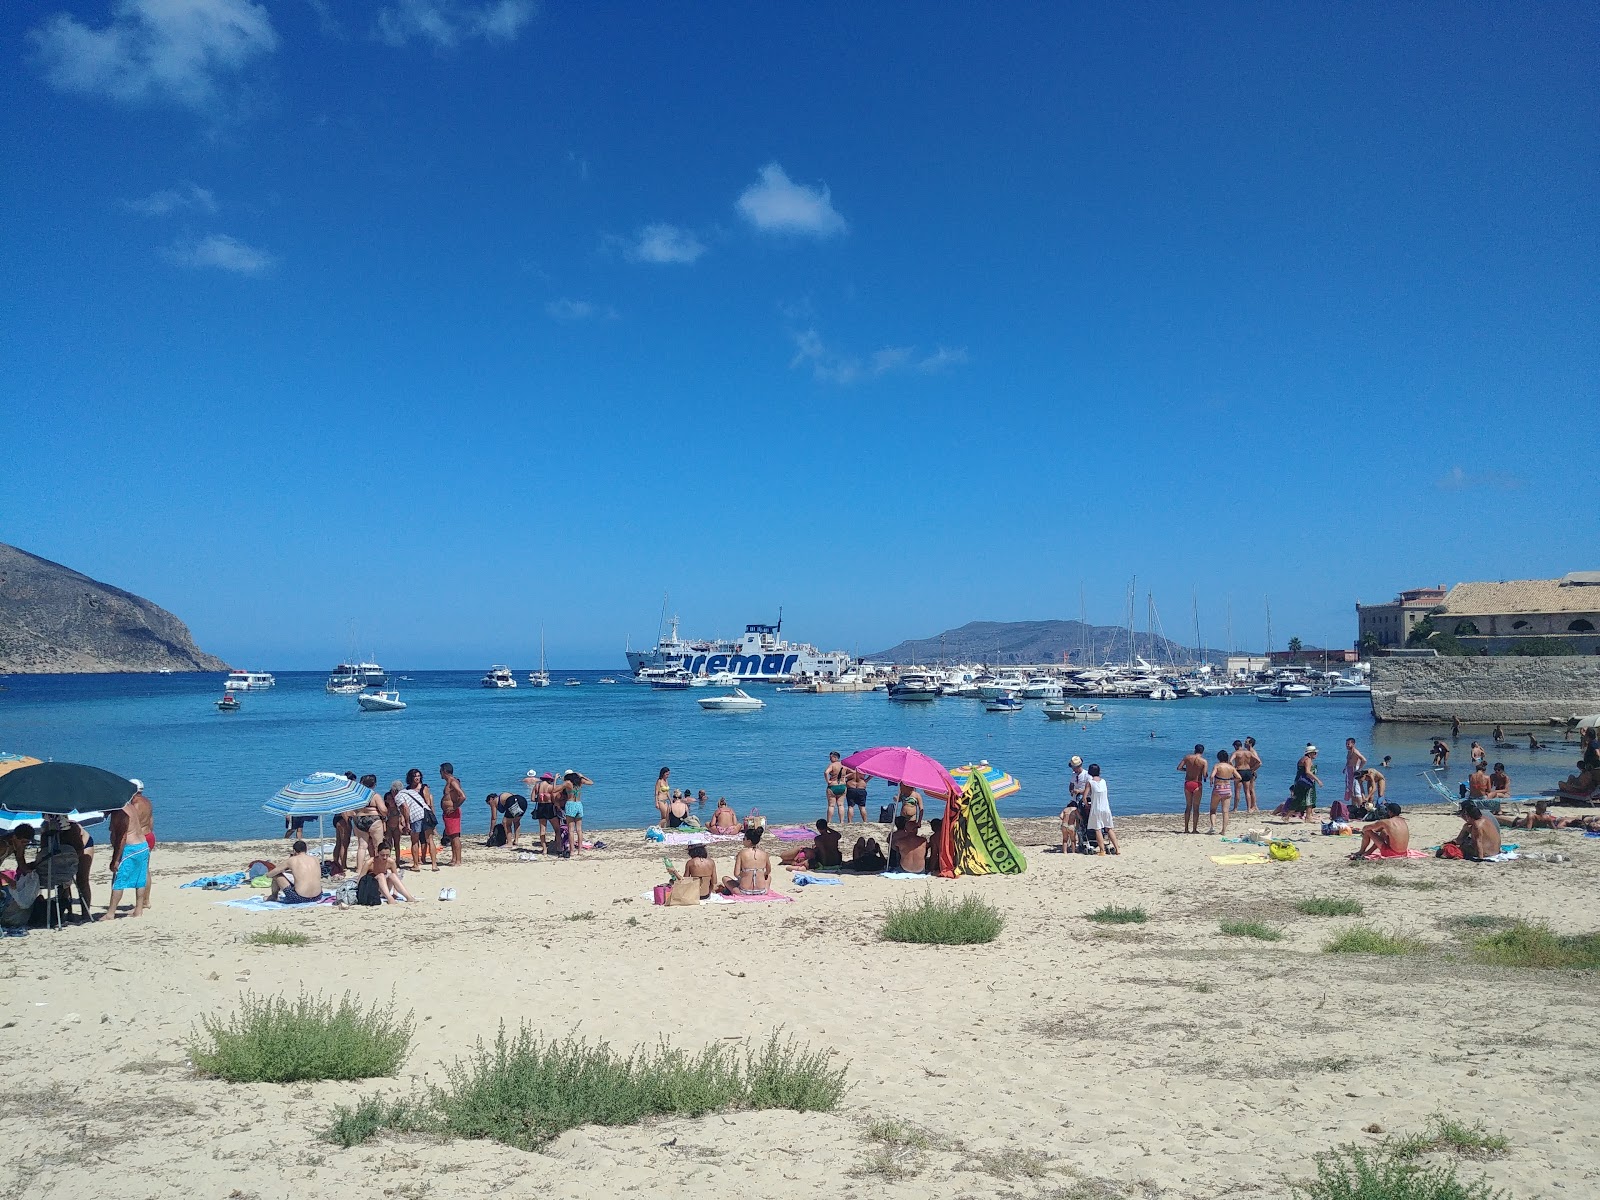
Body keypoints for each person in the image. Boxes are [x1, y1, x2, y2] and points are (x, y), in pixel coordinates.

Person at [106, 784, 154, 920]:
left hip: (131, 848)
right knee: (140, 877)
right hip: (143, 843)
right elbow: (150, 822)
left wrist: (115, 859)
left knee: (119, 880)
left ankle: (110, 913)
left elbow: (122, 837)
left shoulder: (121, 812)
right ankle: (139, 909)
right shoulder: (132, 807)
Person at [400, 768, 439, 871]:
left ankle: (434, 864)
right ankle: (416, 863)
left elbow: (428, 803)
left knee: (429, 839)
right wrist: (404, 819)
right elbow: (405, 807)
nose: (417, 778)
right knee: (415, 840)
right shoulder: (407, 790)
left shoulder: (423, 787)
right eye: (415, 776)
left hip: (424, 815)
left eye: (418, 776)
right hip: (413, 816)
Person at [720, 826, 773, 895]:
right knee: (768, 878)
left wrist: (745, 876)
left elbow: (736, 874)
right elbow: (768, 871)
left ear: (749, 841)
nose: (742, 840)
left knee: (725, 878)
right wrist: (760, 874)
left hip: (744, 892)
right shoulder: (764, 854)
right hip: (762, 891)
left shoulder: (742, 853)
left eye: (744, 839)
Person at [1085, 763, 1119, 855]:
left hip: (1096, 808)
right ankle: (1117, 849)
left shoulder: (1090, 782)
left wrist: (1086, 804)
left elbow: (1085, 796)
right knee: (1109, 828)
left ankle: (1102, 850)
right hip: (1106, 808)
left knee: (1098, 829)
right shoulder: (1103, 781)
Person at [558, 770, 593, 855]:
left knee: (570, 830)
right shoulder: (580, 782)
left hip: (570, 804)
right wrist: (582, 776)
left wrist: (555, 780)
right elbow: (591, 782)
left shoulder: (567, 783)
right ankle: (580, 851)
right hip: (579, 804)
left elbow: (555, 790)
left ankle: (572, 851)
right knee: (579, 829)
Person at [1208, 750, 1240, 836]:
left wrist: (1211, 782)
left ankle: (1213, 827)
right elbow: (1239, 777)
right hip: (1227, 789)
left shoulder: (1217, 766)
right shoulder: (1231, 768)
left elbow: (1211, 776)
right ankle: (1223, 831)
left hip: (1218, 788)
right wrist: (1230, 779)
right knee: (1225, 811)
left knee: (1213, 809)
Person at [1177, 744, 1208, 834]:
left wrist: (1188, 770)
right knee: (1196, 807)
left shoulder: (1187, 757)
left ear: (1195, 750)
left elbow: (1179, 768)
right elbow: (1205, 774)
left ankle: (1186, 829)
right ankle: (1194, 829)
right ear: (1202, 751)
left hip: (1188, 783)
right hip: (1197, 783)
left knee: (1188, 806)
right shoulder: (1203, 761)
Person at [1290, 745, 1322, 821]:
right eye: (1314, 753)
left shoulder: (1303, 759)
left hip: (1300, 781)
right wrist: (1318, 780)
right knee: (1308, 799)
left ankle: (1308, 816)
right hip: (1306, 782)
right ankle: (1307, 817)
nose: (1316, 755)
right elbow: (1307, 772)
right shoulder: (1308, 760)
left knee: (1301, 799)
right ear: (1310, 753)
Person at [532, 772, 559, 854]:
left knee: (542, 829)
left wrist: (540, 799)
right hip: (549, 807)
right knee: (557, 829)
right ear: (550, 780)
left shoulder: (537, 786)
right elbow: (554, 797)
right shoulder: (550, 787)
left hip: (540, 807)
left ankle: (544, 849)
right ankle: (558, 847)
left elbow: (533, 799)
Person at [1234, 737, 1262, 813]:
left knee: (1251, 789)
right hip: (1248, 771)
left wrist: (1252, 770)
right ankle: (1253, 805)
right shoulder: (1248, 751)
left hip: (1249, 772)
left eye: (1246, 742)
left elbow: (1259, 763)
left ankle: (1254, 806)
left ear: (1250, 743)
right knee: (1249, 790)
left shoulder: (1252, 752)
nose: (1244, 743)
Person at [824, 751, 848, 824]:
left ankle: (829, 822)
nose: (830, 759)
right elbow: (853, 772)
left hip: (833, 786)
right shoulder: (844, 765)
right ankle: (841, 821)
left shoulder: (832, 765)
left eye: (831, 757)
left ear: (835, 757)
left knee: (831, 805)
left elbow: (826, 772)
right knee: (841, 805)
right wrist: (844, 777)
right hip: (842, 786)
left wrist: (828, 781)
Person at [1343, 738, 1367, 805]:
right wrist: (1345, 768)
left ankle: (1360, 806)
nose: (1347, 745)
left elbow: (1364, 760)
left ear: (1353, 744)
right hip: (1349, 770)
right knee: (1350, 789)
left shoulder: (1355, 752)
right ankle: (1354, 805)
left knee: (1356, 789)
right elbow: (1348, 761)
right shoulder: (1349, 751)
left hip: (1354, 770)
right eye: (1346, 744)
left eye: (1348, 744)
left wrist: (1359, 769)